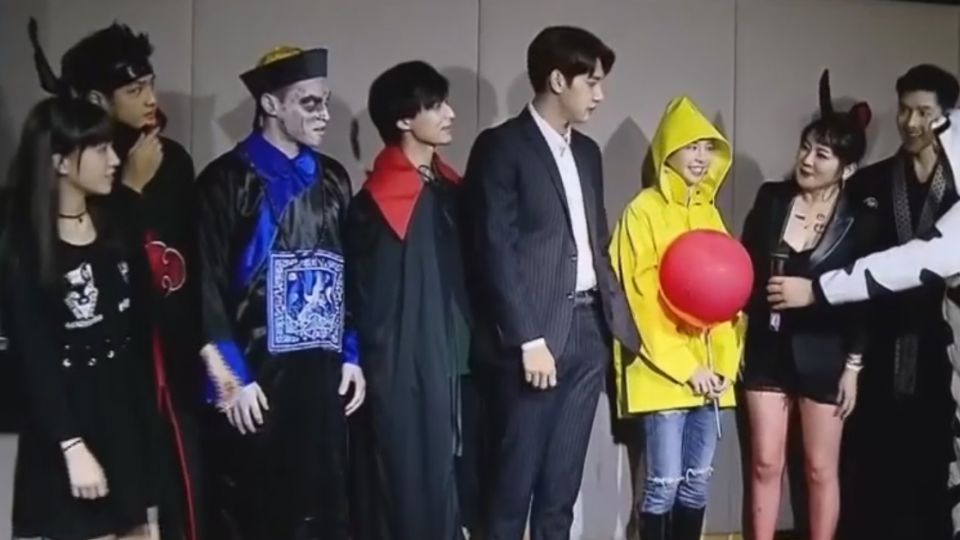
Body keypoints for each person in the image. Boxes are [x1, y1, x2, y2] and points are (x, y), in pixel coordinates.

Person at [766, 64, 960, 538]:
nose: (911, 123)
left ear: (948, 118)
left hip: (939, 343)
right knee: (866, 460)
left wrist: (818, 290)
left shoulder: (956, 188)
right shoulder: (871, 182)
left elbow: (921, 261)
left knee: (935, 459)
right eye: (905, 110)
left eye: (925, 113)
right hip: (874, 337)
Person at [27, 18, 203, 539]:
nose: (150, 99)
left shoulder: (172, 160)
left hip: (162, 357)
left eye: (150, 84)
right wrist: (129, 189)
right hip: (93, 381)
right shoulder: (67, 189)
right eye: (134, 89)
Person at [463, 25, 641, 540]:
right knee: (511, 487)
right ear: (558, 80)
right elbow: (493, 248)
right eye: (592, 82)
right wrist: (528, 338)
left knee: (561, 491)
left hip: (587, 330)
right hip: (533, 338)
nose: (600, 95)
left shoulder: (587, 152)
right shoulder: (502, 146)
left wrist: (613, 325)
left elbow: (595, 242)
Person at [195, 45, 365, 540]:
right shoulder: (226, 182)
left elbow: (349, 272)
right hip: (257, 383)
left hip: (321, 381)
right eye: (309, 103)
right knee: (254, 510)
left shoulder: (332, 178)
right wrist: (230, 380)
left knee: (323, 507)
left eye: (325, 102)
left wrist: (351, 354)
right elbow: (204, 287)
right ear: (270, 105)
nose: (324, 114)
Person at [0, 97, 166, 540]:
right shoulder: (25, 248)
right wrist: (71, 444)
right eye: (100, 149)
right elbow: (35, 356)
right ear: (59, 161)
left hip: (124, 419)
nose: (114, 160)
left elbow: (141, 330)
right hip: (67, 426)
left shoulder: (118, 226)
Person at [345, 60, 471, 540]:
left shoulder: (450, 188)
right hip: (408, 371)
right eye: (435, 106)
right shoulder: (376, 205)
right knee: (411, 484)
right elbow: (369, 302)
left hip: (461, 364)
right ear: (403, 119)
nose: (450, 114)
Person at [741, 100, 876, 540]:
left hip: (825, 352)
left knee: (819, 468)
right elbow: (745, 267)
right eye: (805, 148)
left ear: (847, 168)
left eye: (822, 154)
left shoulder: (860, 220)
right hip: (767, 348)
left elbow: (864, 297)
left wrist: (853, 366)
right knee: (765, 462)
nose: (807, 160)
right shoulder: (772, 198)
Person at [609, 96, 741, 540]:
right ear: (668, 149)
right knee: (663, 485)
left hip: (712, 377)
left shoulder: (709, 213)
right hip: (662, 373)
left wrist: (722, 367)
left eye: (708, 148)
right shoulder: (642, 211)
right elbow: (640, 299)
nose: (701, 157)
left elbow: (725, 298)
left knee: (697, 483)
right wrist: (687, 367)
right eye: (691, 147)